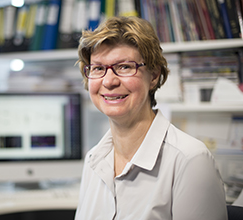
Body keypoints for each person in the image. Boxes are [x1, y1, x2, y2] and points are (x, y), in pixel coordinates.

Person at [74, 16, 228, 220]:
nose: (109, 81)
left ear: (154, 76)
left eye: (125, 67)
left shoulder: (190, 160)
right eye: (98, 68)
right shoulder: (93, 160)